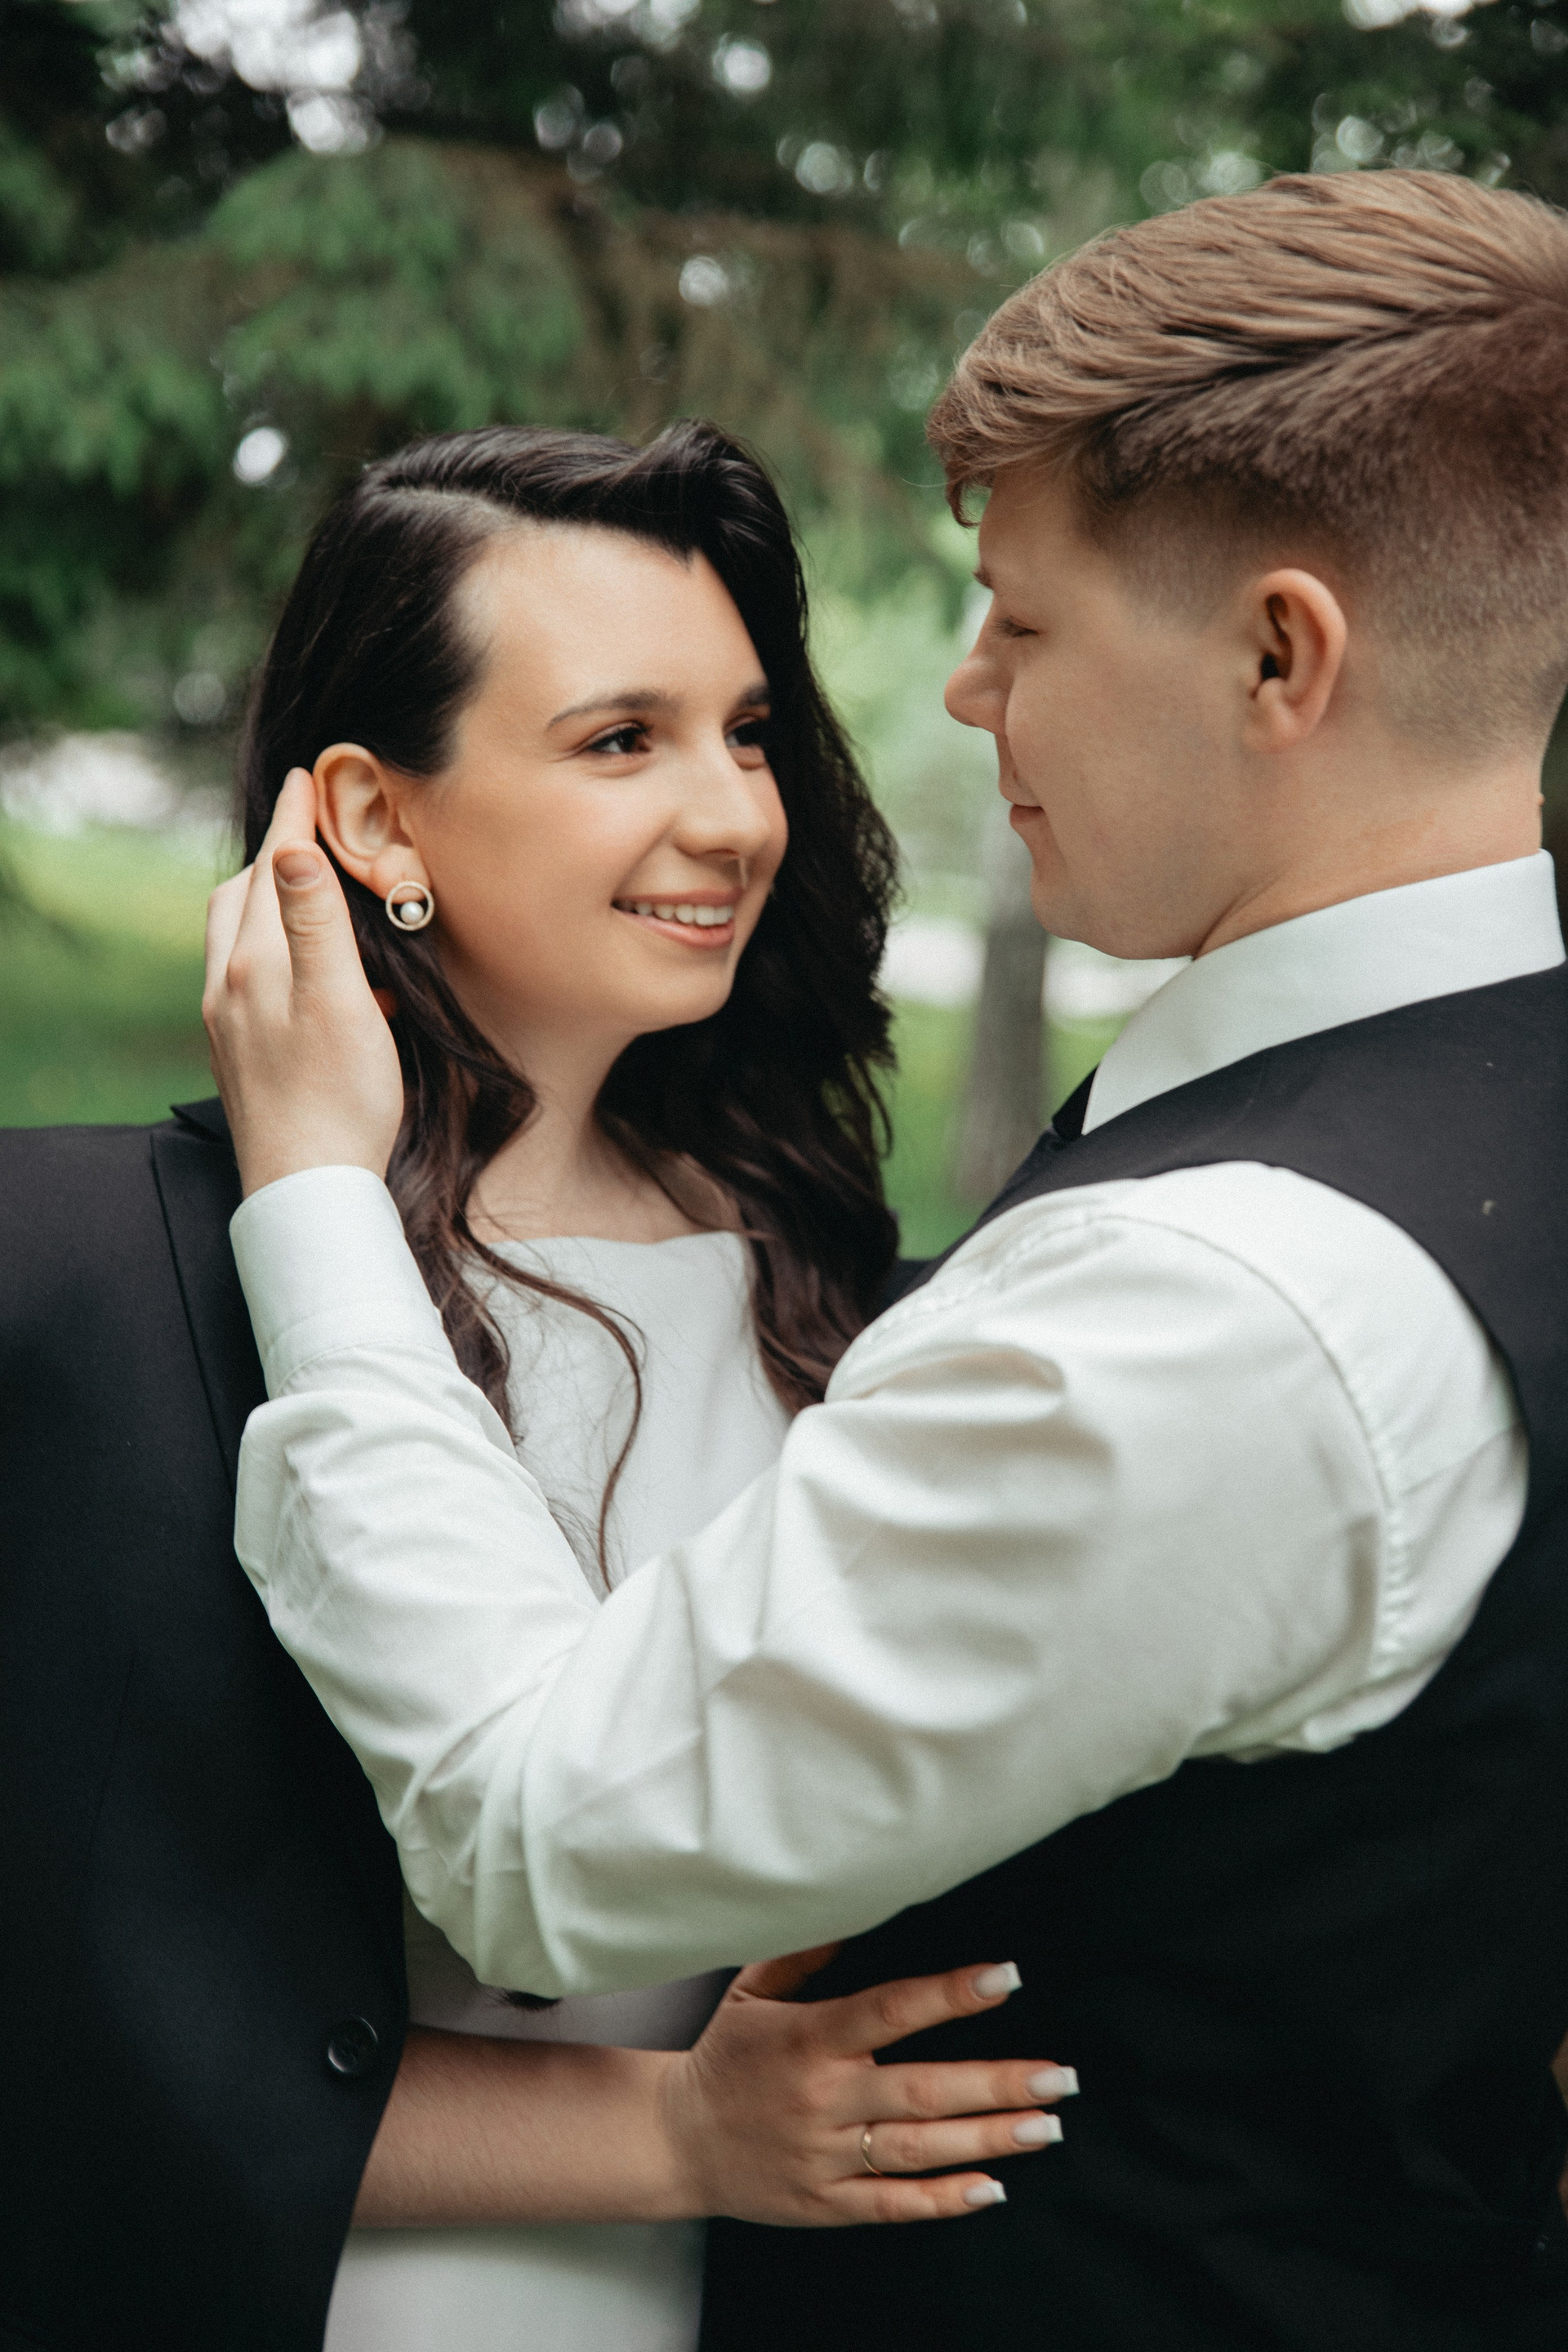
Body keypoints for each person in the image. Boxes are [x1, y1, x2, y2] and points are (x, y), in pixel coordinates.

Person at [207, 167, 1568, 2350]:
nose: (956, 690)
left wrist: (314, 1207)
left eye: (1024, 623)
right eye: (623, 735)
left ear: (1279, 657)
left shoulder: (1217, 1299)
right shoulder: (1468, 1124)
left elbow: (541, 1835)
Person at [0, 421, 1069, 2352]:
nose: (734, 815)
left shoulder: (861, 1316)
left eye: (750, 733)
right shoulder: (77, 1282)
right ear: (375, 820)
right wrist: (671, 2134)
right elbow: (76, 2021)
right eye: (621, 740)